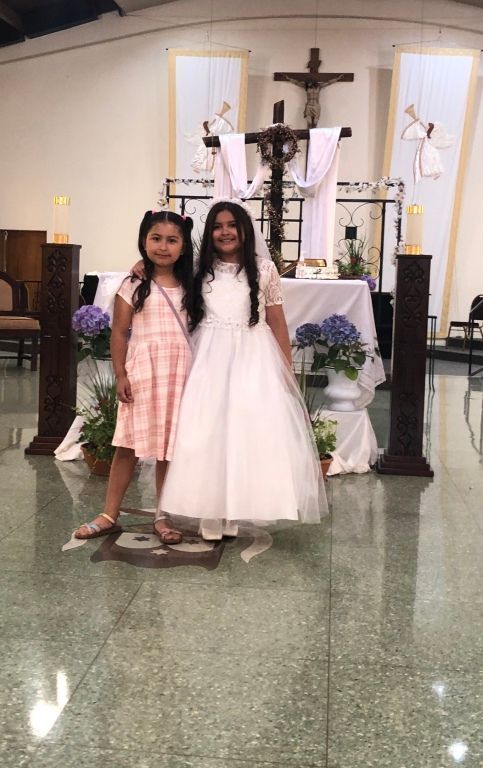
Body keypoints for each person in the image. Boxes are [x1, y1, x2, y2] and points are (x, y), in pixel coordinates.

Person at [154, 199, 328, 540]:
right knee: (207, 431)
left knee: (246, 432)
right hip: (209, 357)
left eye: (231, 225)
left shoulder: (264, 270)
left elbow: (277, 321)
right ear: (210, 233)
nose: (225, 232)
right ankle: (209, 510)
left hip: (253, 357)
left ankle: (235, 509)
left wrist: (284, 369)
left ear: (244, 230)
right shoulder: (198, 270)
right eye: (218, 226)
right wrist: (138, 267)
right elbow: (162, 276)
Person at [74, 210, 195, 544]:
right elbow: (118, 333)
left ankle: (163, 514)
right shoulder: (134, 284)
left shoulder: (192, 285)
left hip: (179, 373)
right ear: (144, 240)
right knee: (127, 444)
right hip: (143, 371)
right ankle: (109, 513)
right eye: (156, 238)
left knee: (169, 448)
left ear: (183, 247)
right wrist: (120, 373)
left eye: (172, 240)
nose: (163, 246)